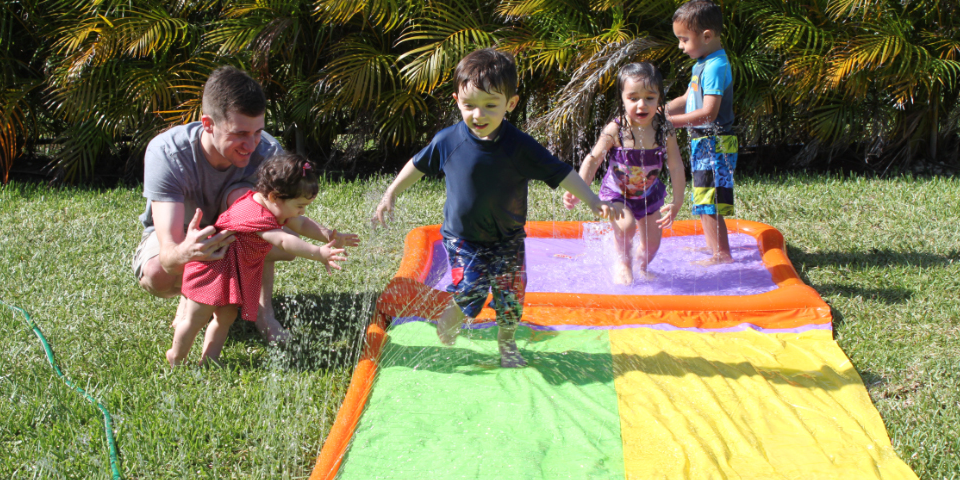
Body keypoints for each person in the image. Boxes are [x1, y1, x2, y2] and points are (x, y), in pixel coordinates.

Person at [372, 48, 621, 368]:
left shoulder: (519, 146)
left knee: (511, 298)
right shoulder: (449, 140)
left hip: (508, 239)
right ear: (457, 101)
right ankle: (456, 309)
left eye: (490, 105)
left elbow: (562, 173)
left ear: (511, 104)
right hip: (462, 237)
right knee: (472, 288)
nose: (479, 115)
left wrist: (593, 200)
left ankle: (507, 343)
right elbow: (418, 165)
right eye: (469, 105)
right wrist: (391, 192)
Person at [133, 66, 293, 340]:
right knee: (158, 273)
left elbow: (282, 234)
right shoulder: (168, 153)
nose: (251, 144)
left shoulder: (268, 153)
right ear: (208, 124)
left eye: (258, 132)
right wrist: (188, 253)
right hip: (185, 234)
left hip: (235, 234)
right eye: (240, 134)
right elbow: (170, 255)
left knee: (260, 222)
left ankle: (263, 314)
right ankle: (191, 293)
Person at [168, 154, 357, 365]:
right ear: (275, 196)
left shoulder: (270, 203)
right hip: (212, 271)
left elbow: (301, 224)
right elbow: (283, 240)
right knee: (196, 319)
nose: (302, 211)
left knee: (226, 317)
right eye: (299, 206)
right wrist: (319, 253)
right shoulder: (254, 214)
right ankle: (176, 357)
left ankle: (209, 360)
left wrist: (329, 235)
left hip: (231, 273)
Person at [564, 63, 685, 285]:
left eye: (650, 98)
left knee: (652, 244)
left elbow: (676, 165)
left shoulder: (664, 129)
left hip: (649, 196)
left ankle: (640, 266)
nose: (642, 104)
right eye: (633, 98)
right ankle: (623, 263)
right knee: (626, 226)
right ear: (622, 98)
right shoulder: (616, 129)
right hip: (618, 194)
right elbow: (593, 160)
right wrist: (579, 187)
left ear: (659, 98)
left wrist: (677, 201)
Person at [665, 0, 737, 265]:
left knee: (710, 199)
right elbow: (687, 98)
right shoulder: (702, 64)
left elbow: (709, 113)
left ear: (706, 36)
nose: (680, 46)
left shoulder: (716, 66)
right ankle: (712, 247)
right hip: (704, 141)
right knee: (703, 196)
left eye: (684, 39)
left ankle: (722, 255)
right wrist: (659, 111)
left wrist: (671, 123)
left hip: (716, 141)